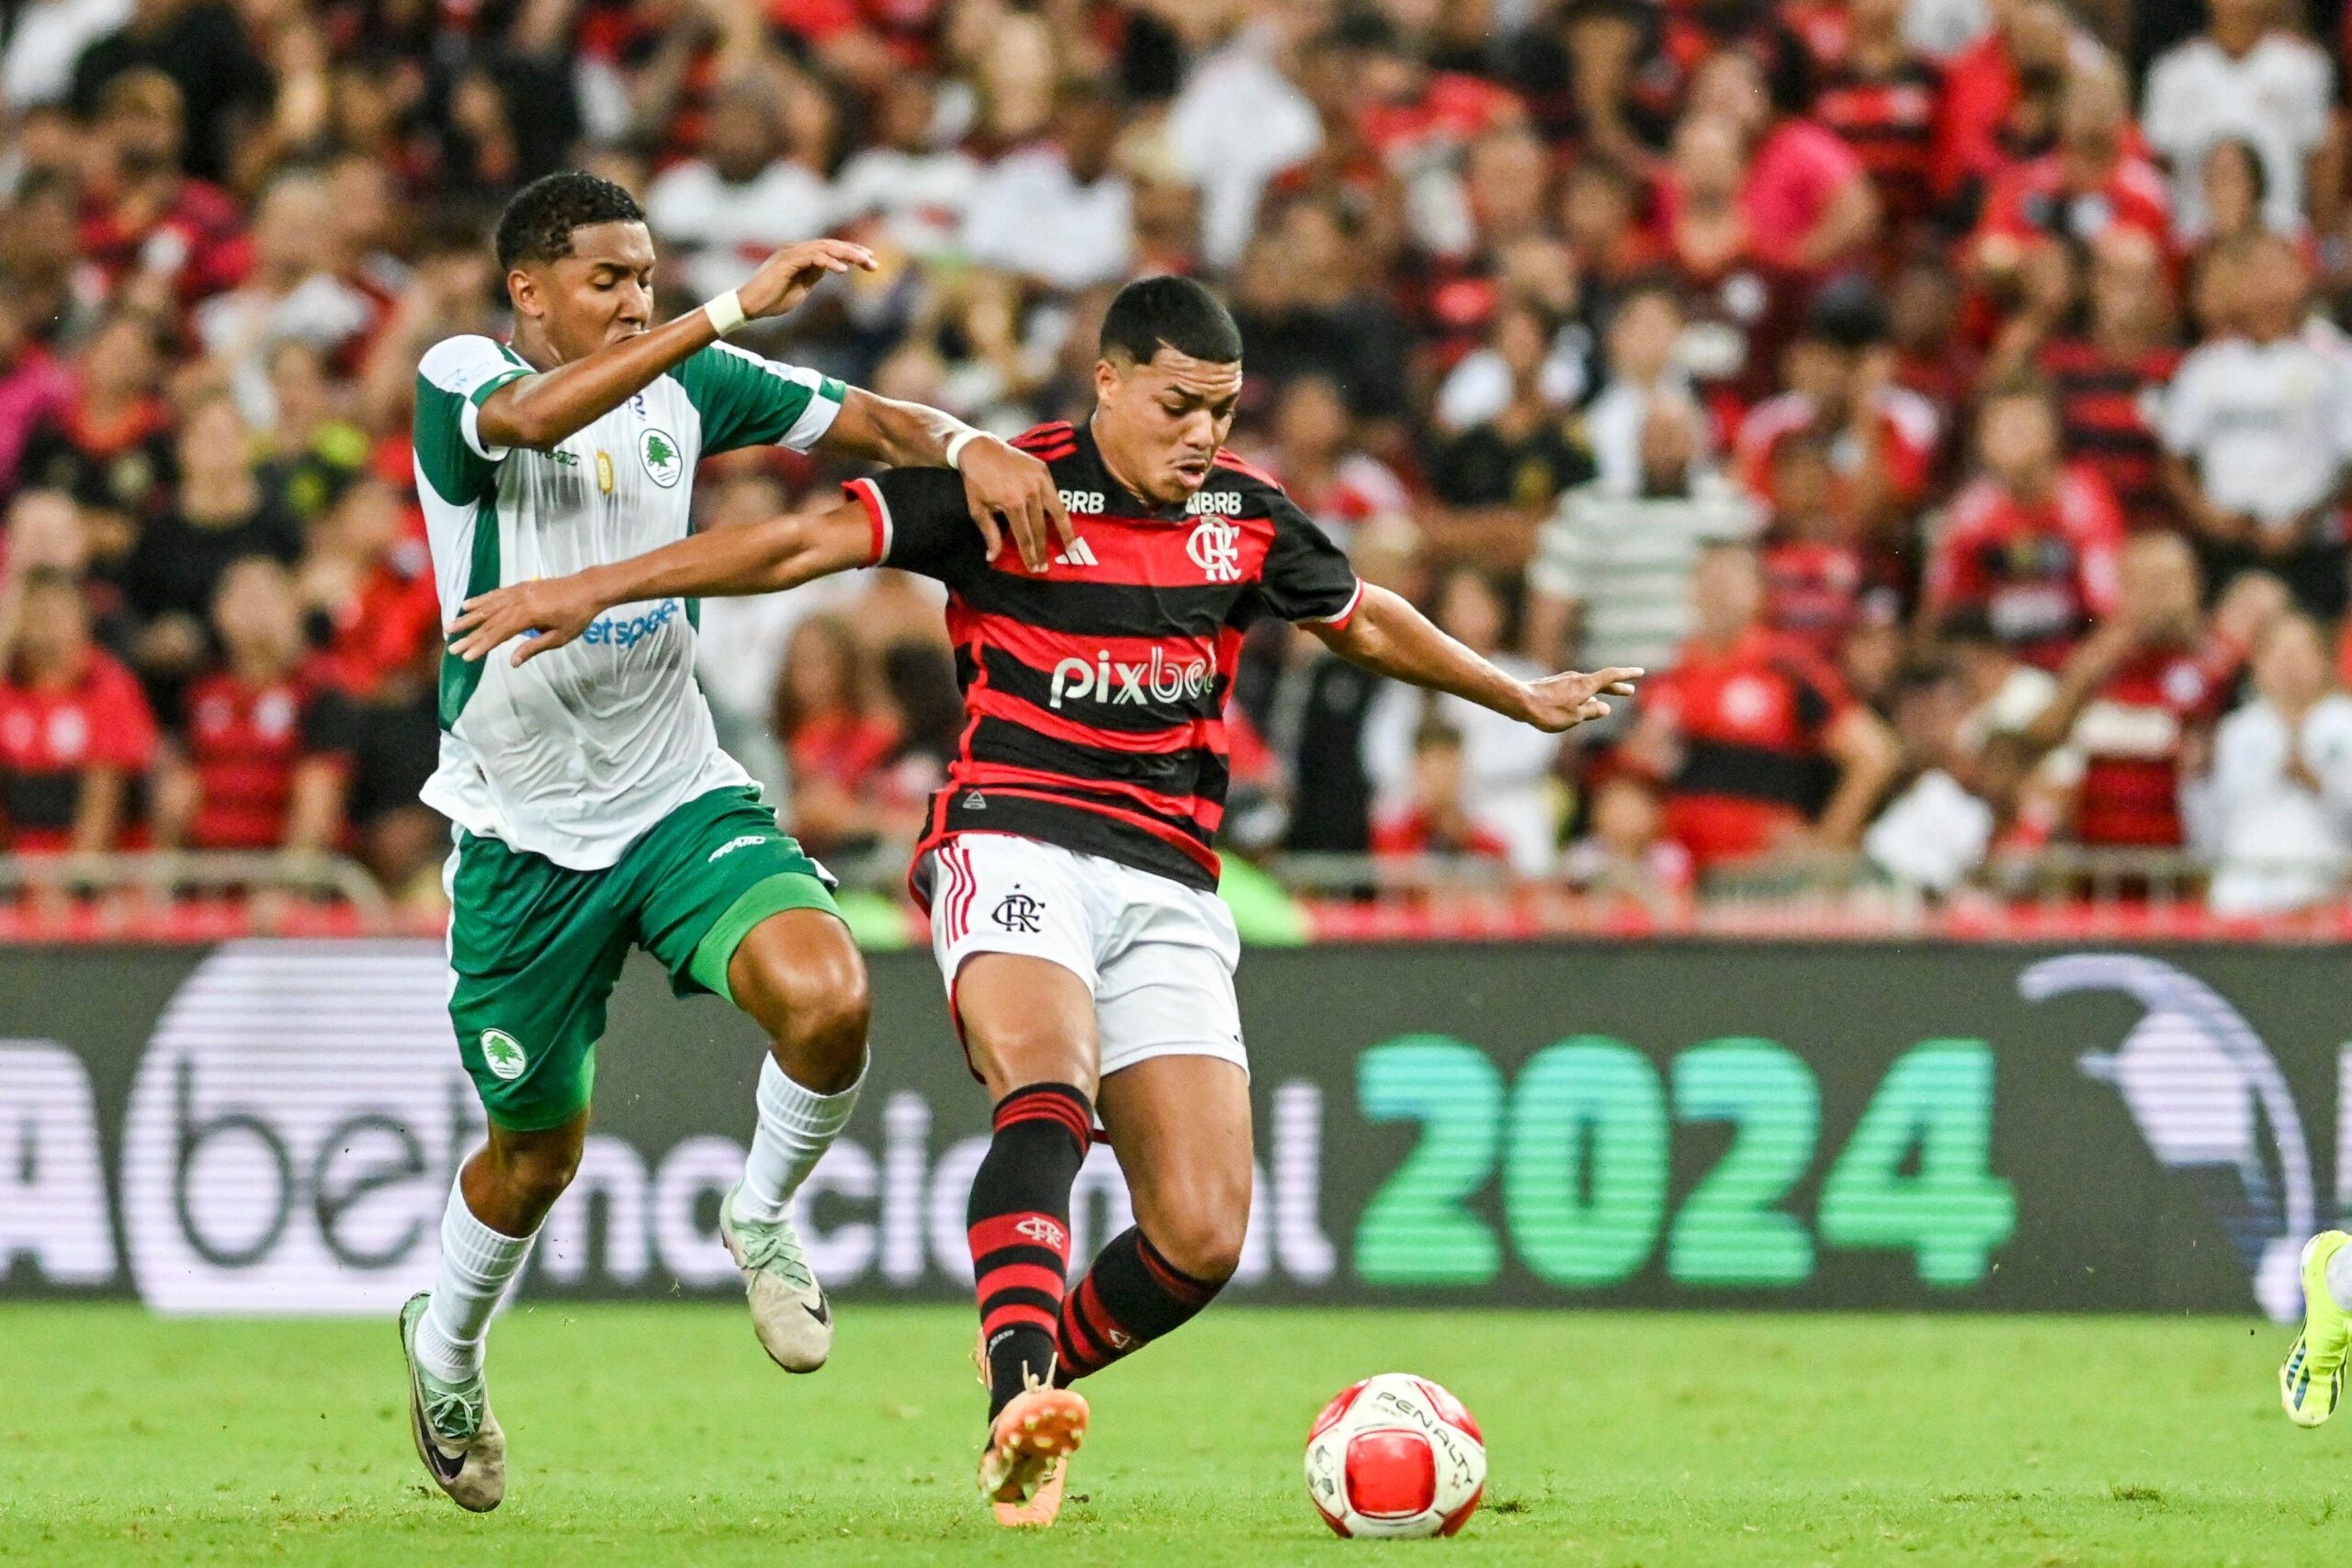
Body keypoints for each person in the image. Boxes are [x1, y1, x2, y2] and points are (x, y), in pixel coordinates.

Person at [447, 274, 1639, 1528]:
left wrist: (1518, 695)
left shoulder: (1244, 518)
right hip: (1011, 842)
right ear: (1110, 381)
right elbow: (802, 544)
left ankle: (1039, 1371)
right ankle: (1020, 1399)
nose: (1204, 437)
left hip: (1169, 876)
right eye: (1180, 406)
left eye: (1225, 412)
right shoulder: (1008, 488)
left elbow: (1360, 616)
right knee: (1049, 1085)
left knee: (1202, 1233)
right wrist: (598, 585)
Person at [391, 170, 1069, 1515]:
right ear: (529, 290)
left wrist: (976, 444)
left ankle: (761, 1217)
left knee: (827, 997)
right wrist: (714, 312)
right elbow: (527, 418)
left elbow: (871, 419)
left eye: (647, 275)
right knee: (536, 1157)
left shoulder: (684, 385)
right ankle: (446, 1350)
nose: (635, 299)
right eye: (608, 279)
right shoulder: (462, 374)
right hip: (522, 836)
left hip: (674, 795)